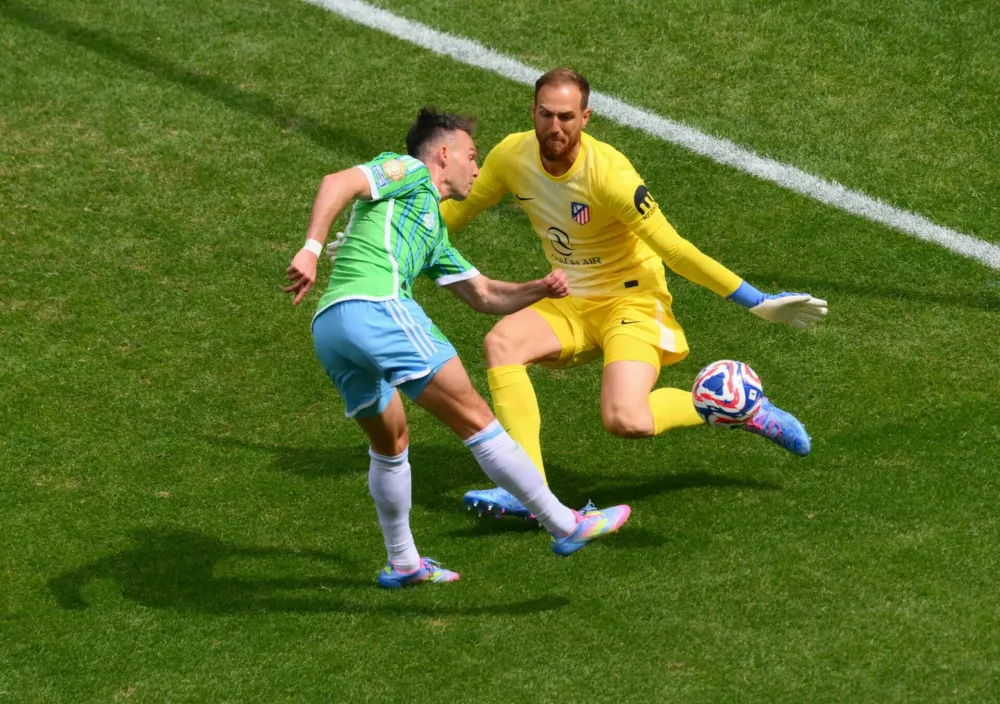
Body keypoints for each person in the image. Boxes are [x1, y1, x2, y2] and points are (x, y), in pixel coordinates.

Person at [434, 69, 828, 519]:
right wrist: (394, 235)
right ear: (533, 112)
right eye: (546, 114)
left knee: (626, 420)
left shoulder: (612, 176)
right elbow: (461, 208)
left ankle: (734, 408)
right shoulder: (512, 155)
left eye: (566, 116)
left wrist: (756, 300)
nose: (555, 127)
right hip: (572, 299)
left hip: (632, 302)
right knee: (500, 343)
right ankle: (528, 489)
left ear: (586, 117)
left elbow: (675, 251)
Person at [284, 107, 631, 588]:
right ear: (443, 153)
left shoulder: (431, 231)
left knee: (391, 442)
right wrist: (311, 248)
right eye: (472, 155)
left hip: (333, 330)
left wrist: (540, 288)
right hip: (377, 308)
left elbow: (483, 295)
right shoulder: (407, 172)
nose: (478, 166)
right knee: (476, 419)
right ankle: (564, 523)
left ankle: (403, 562)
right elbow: (336, 182)